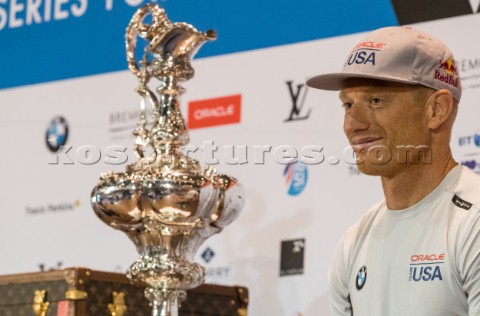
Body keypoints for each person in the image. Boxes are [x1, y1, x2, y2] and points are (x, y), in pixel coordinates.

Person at [306, 26, 480, 315]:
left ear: (436, 109)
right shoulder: (354, 240)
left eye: (376, 101)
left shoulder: (473, 222)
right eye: (348, 105)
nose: (353, 124)